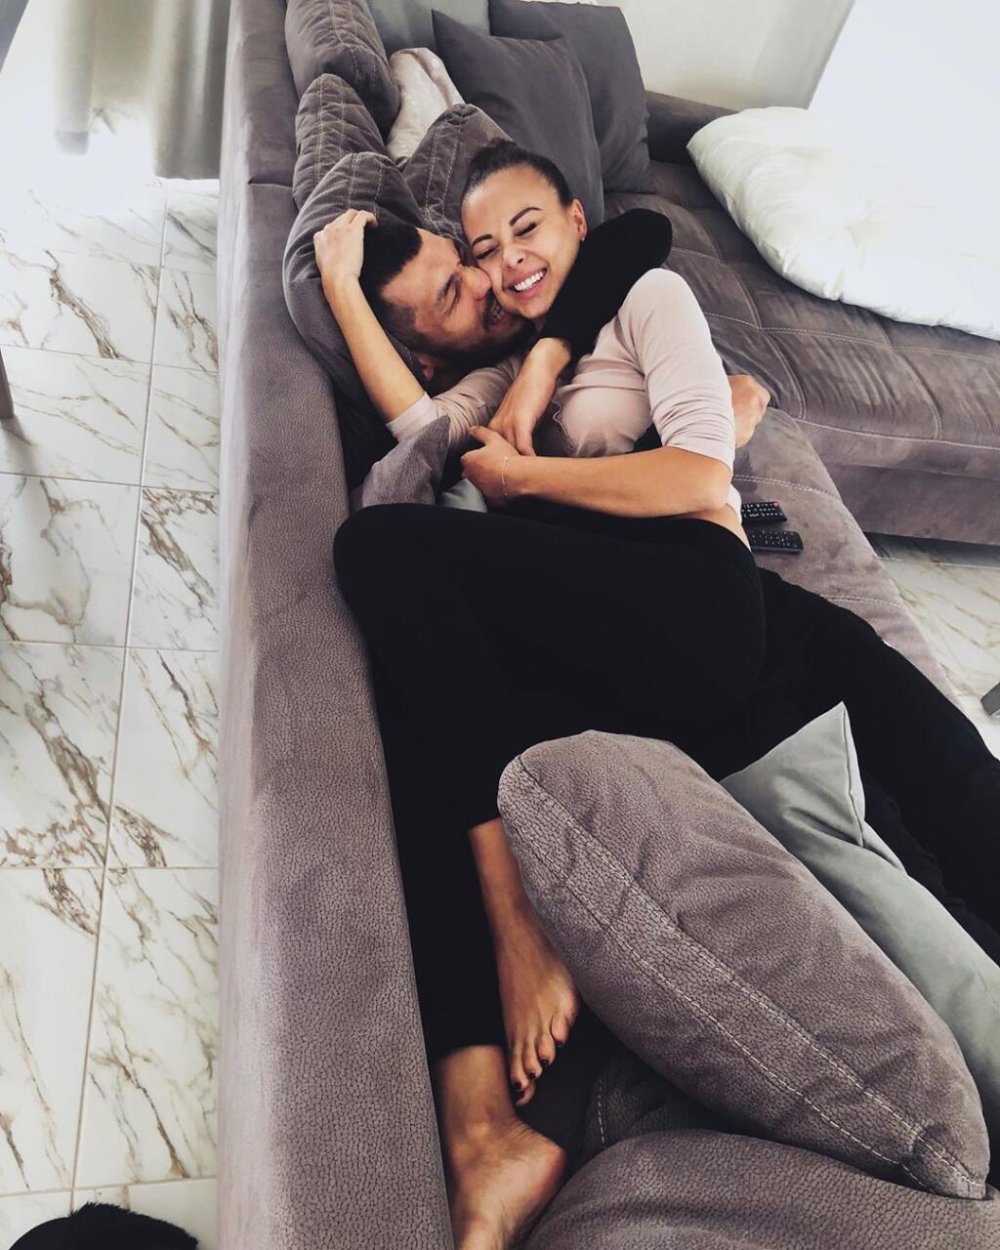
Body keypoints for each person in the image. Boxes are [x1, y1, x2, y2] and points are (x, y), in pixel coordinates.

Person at [319, 146, 1000, 1249]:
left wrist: (530, 455)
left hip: (723, 604)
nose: (497, 271)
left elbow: (691, 458)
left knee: (963, 797)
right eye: (475, 259)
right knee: (428, 689)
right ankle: (482, 1116)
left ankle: (509, 945)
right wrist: (348, 292)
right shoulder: (488, 384)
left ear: (572, 220)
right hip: (669, 650)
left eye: (517, 237)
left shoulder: (629, 300)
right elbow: (420, 428)